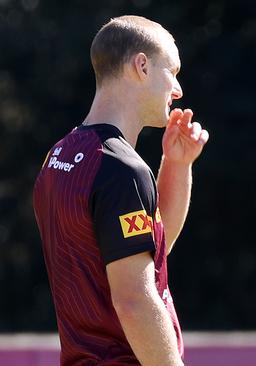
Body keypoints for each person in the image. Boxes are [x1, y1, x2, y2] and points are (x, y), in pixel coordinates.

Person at [33, 15, 208, 365]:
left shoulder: (60, 155)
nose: (178, 89)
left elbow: (150, 255)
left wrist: (177, 164)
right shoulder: (121, 170)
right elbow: (134, 300)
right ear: (141, 66)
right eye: (172, 72)